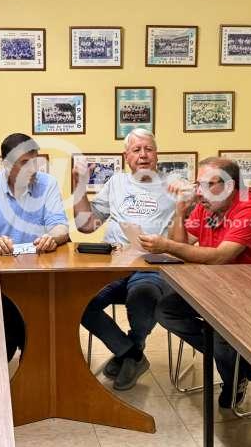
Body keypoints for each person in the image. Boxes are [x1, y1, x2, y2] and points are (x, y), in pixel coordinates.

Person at [148, 158, 251, 407]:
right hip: (218, 288)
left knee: (221, 335)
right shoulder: (207, 205)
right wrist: (179, 211)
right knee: (166, 310)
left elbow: (220, 257)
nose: (200, 193)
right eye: (198, 185)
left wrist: (166, 245)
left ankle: (234, 368)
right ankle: (239, 361)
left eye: (208, 185)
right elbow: (182, 246)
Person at [73, 130, 177, 390]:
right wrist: (79, 187)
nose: (143, 155)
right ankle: (131, 353)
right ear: (126, 156)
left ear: (157, 154)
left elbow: (192, 232)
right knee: (79, 302)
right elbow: (87, 226)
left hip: (152, 266)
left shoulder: (174, 185)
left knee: (143, 294)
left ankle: (131, 349)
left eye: (148, 149)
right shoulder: (116, 183)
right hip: (114, 264)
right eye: (136, 150)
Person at [0, 134, 70, 360]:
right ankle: (11, 355)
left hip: (38, 275)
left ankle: (32, 359)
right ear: (6, 164)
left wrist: (52, 238)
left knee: (40, 324)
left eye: (34, 160)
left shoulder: (48, 183)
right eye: (24, 162)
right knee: (5, 324)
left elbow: (60, 227)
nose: (32, 168)